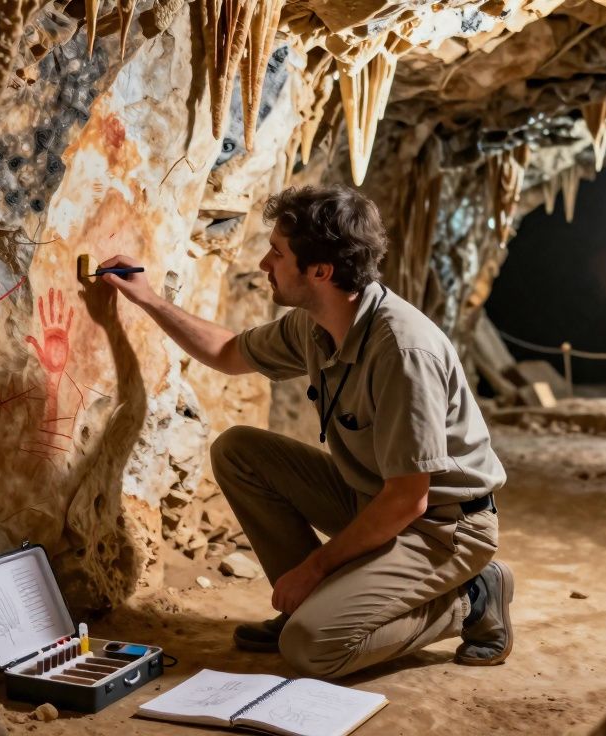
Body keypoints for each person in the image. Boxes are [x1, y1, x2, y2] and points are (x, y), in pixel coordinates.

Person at [98, 185, 512, 679]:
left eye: (276, 253)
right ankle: (314, 608)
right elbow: (227, 352)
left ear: (320, 271)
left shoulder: (403, 353)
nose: (262, 264)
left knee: (312, 649)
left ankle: (469, 597)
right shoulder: (315, 326)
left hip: (443, 525)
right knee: (239, 451)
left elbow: (408, 500)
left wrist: (313, 570)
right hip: (371, 498)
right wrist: (146, 299)